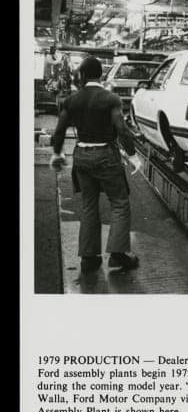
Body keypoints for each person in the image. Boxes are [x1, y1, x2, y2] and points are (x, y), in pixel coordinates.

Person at [49, 56, 142, 274]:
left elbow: (59, 130)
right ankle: (118, 254)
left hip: (81, 155)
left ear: (82, 75)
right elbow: (121, 129)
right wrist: (133, 155)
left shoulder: (72, 100)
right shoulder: (111, 99)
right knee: (119, 202)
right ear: (100, 74)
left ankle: (89, 259)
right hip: (106, 155)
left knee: (89, 206)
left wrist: (57, 154)